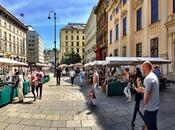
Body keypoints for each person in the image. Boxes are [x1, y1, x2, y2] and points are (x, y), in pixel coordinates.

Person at [140, 61, 159, 130]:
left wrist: (144, 106)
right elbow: (150, 91)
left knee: (150, 127)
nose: (142, 69)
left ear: (147, 67)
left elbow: (147, 95)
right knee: (153, 126)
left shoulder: (148, 78)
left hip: (149, 108)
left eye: (143, 68)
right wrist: (144, 90)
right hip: (155, 106)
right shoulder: (154, 76)